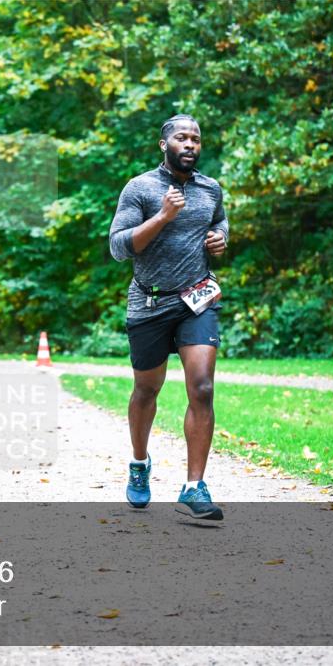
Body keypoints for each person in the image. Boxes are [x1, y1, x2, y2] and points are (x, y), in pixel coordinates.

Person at [108, 114, 229, 522]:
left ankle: (194, 487)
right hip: (149, 302)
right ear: (165, 144)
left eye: (196, 138)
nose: (191, 144)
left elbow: (218, 221)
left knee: (203, 387)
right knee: (146, 390)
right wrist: (161, 217)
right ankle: (139, 464)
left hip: (196, 300)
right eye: (182, 137)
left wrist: (220, 239)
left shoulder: (210, 188)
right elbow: (119, 247)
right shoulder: (140, 188)